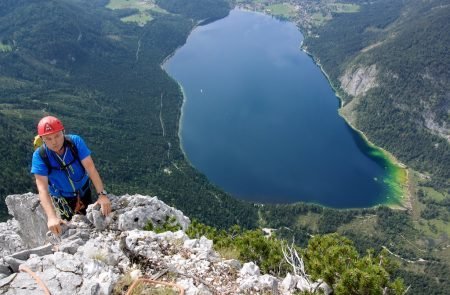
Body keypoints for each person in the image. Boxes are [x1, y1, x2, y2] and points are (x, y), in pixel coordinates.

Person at [31, 116, 111, 235]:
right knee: (70, 226)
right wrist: (52, 217)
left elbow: (91, 168)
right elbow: (42, 189)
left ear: (63, 132)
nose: (54, 142)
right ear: (42, 139)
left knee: (89, 218)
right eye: (48, 138)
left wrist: (102, 195)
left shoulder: (75, 142)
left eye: (57, 136)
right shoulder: (40, 156)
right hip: (62, 198)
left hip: (84, 190)